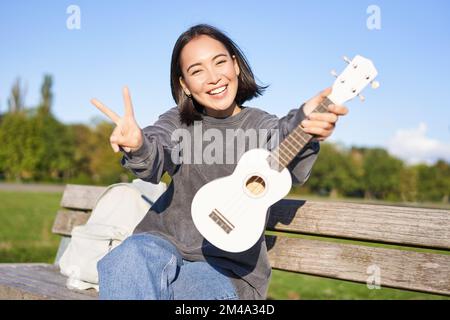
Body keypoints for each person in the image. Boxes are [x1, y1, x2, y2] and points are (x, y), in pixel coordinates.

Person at [91, 24, 348, 300]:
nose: (213, 77)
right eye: (197, 70)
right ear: (184, 85)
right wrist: (138, 144)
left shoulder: (261, 125)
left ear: (236, 66)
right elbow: (154, 152)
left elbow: (284, 140)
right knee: (125, 259)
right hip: (162, 243)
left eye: (220, 62)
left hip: (226, 268)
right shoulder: (177, 122)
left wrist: (306, 121)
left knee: (196, 291)